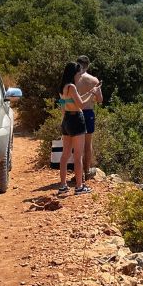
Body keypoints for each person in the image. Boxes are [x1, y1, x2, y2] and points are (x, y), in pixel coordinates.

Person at [58, 61, 101, 195]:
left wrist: (88, 93)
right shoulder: (72, 86)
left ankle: (63, 186)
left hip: (66, 120)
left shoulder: (63, 87)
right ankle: (79, 186)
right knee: (78, 156)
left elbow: (72, 101)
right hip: (77, 119)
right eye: (78, 73)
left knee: (65, 155)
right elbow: (81, 105)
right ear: (74, 73)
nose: (79, 76)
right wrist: (92, 92)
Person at [74, 55, 103, 180]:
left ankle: (77, 174)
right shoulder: (93, 80)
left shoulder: (72, 78)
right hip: (88, 112)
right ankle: (86, 171)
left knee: (76, 145)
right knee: (87, 143)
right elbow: (100, 100)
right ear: (88, 65)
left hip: (74, 112)